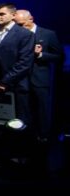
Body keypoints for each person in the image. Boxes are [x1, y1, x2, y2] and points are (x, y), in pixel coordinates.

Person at [0, 3, 34, 161]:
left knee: (18, 123)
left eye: (1, 14)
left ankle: (18, 158)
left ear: (13, 15)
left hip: (16, 86)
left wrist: (5, 82)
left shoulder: (25, 35)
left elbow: (24, 63)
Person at [14, 9, 63, 143]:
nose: (19, 28)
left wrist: (40, 55)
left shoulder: (48, 34)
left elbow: (59, 57)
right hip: (20, 80)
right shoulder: (15, 36)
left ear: (31, 19)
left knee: (42, 111)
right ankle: (24, 140)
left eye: (21, 24)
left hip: (39, 80)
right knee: (23, 112)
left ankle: (43, 138)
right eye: (17, 25)